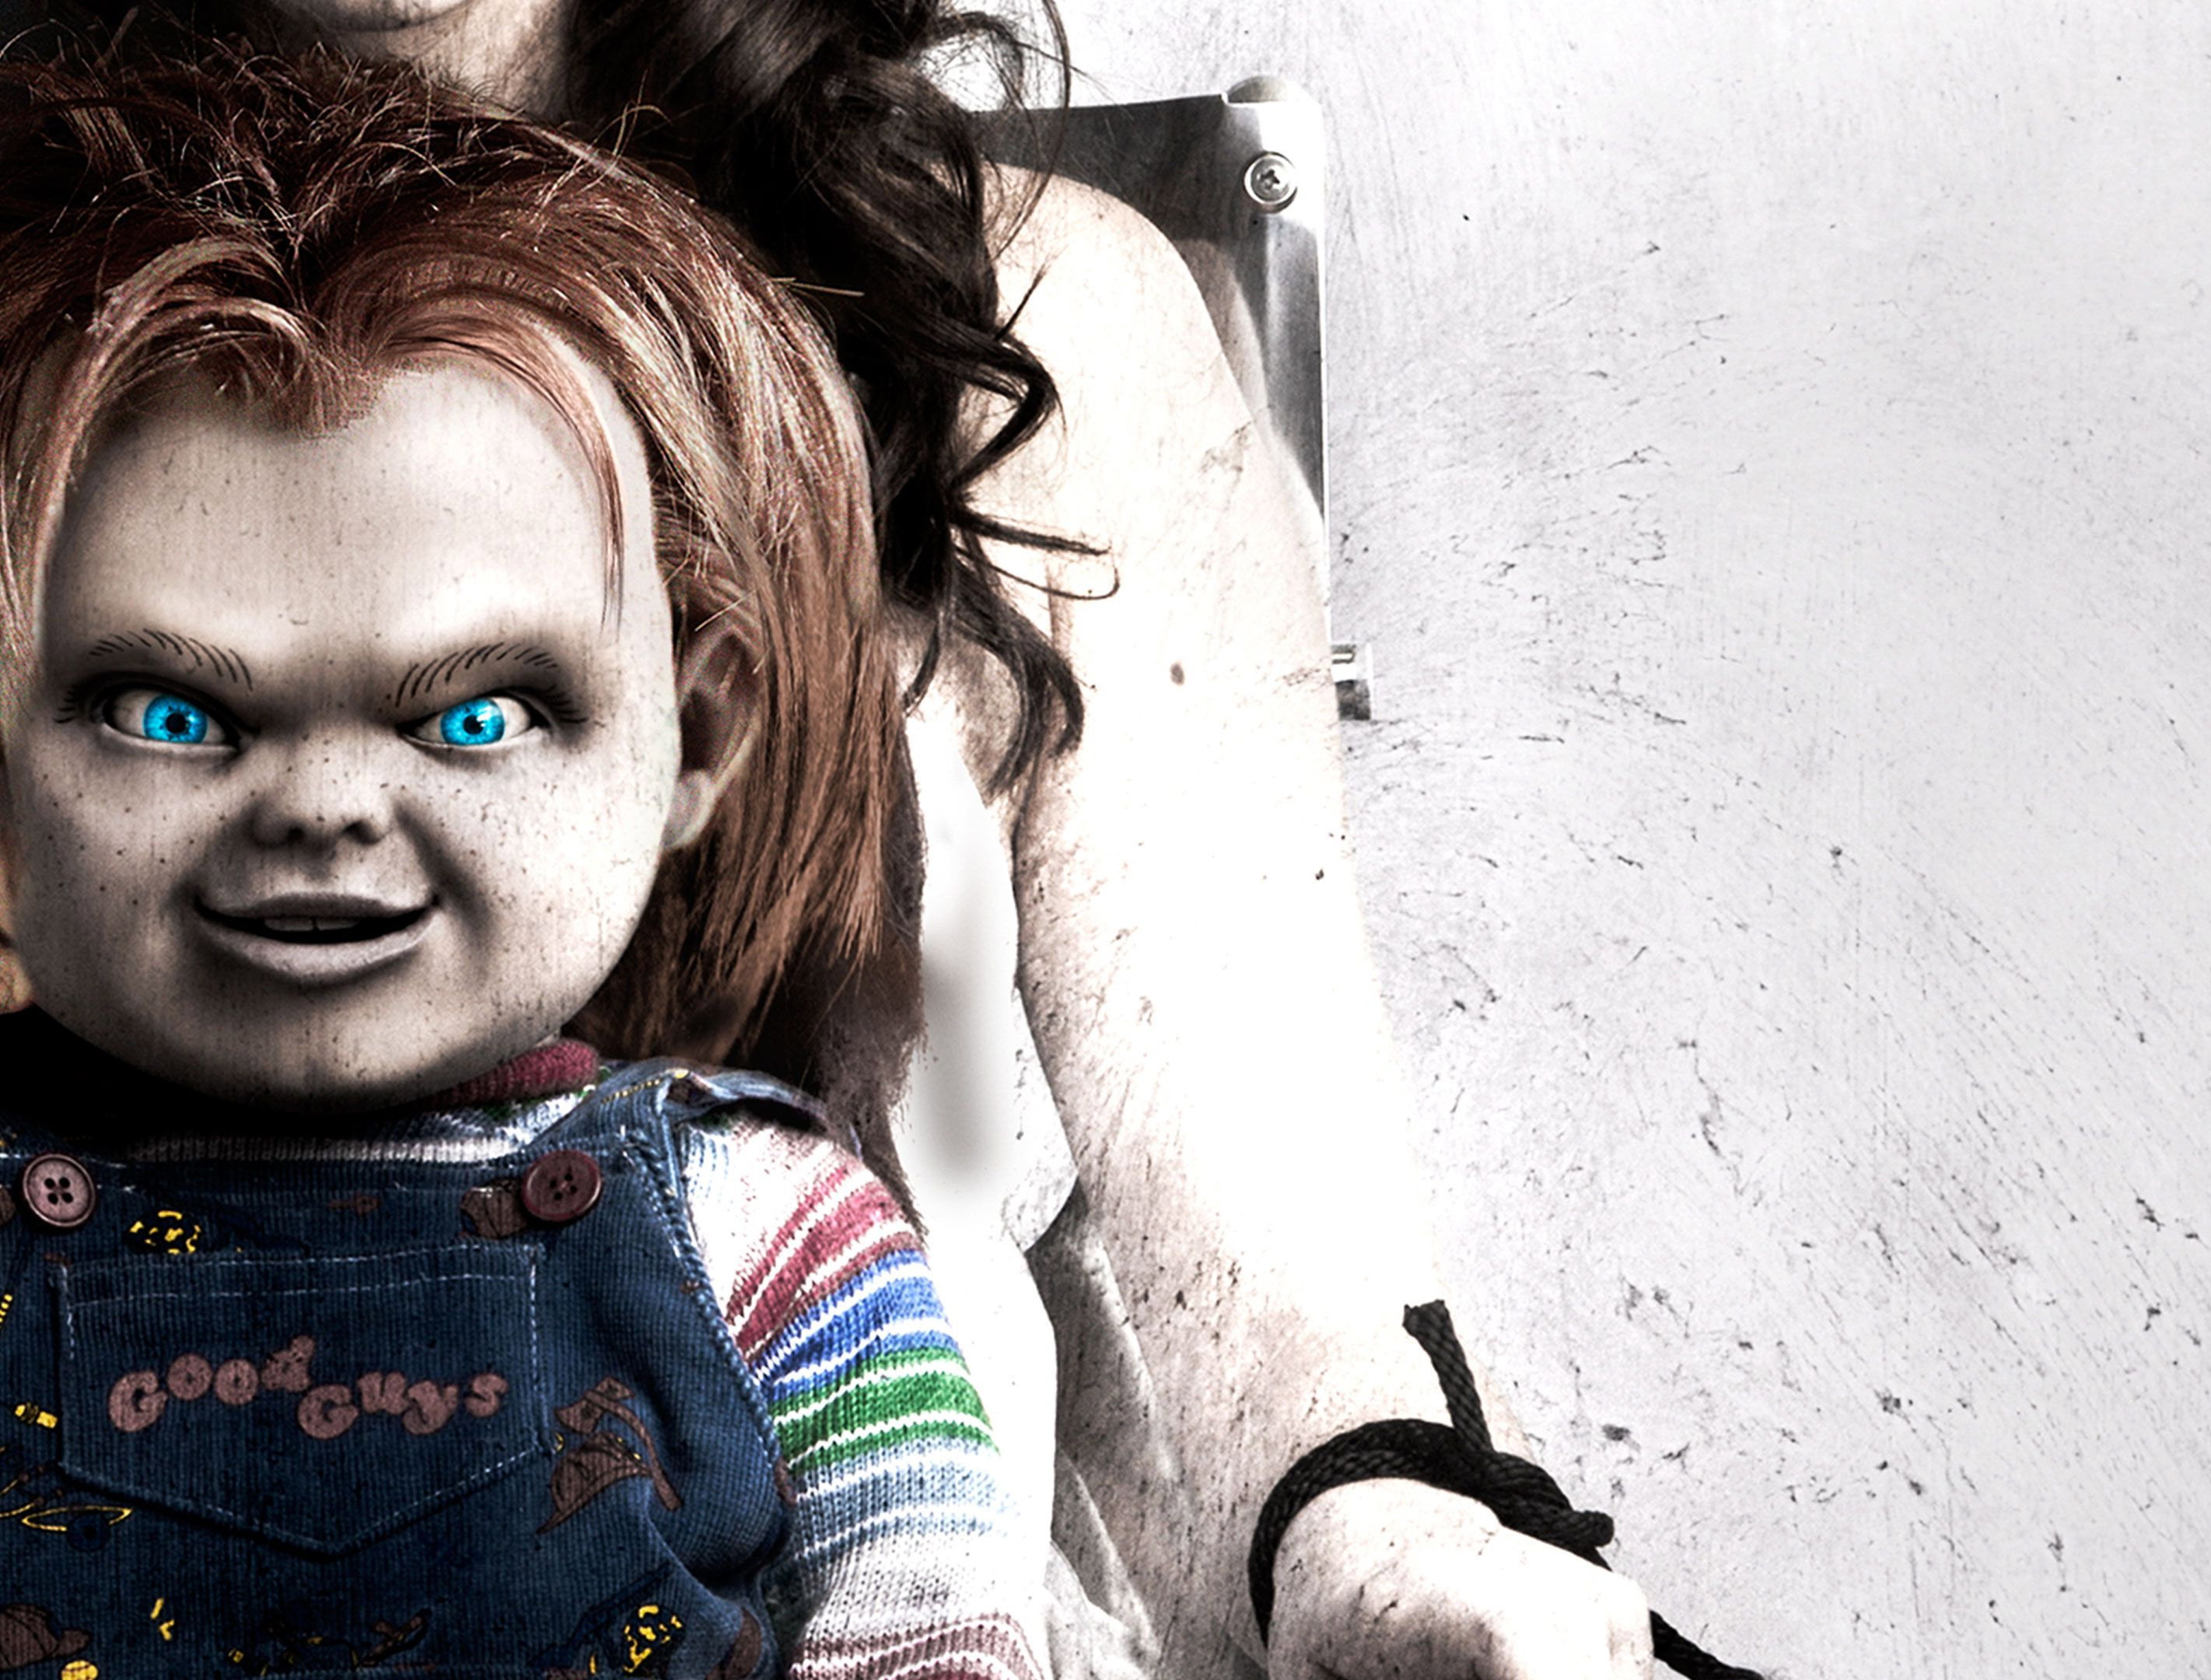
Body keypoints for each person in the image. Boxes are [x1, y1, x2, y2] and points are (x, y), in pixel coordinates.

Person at [0, 3, 1677, 1678]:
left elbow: (1280, 1260)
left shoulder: (1042, 314)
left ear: (704, 726)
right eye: (168, 711)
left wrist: (1399, 1540)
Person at [0, 50, 1045, 1675]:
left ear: (697, 739)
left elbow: (929, 1623)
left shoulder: (760, 1228)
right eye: (171, 712)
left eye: (478, 718)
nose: (322, 807)